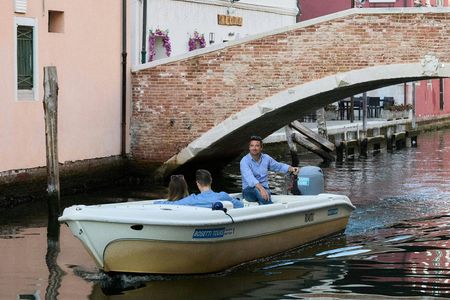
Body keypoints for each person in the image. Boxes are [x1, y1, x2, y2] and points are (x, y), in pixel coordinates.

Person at [240, 135, 298, 205]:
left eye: (257, 146)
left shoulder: (266, 158)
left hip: (264, 188)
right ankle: (272, 208)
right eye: (252, 146)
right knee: (257, 190)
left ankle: (266, 207)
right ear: (249, 148)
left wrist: (291, 168)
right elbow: (250, 179)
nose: (254, 148)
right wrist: (261, 189)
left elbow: (278, 166)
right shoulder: (244, 161)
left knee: (264, 194)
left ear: (261, 148)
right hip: (248, 191)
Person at [155, 169, 243, 208]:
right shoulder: (223, 196)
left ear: (197, 183)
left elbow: (173, 204)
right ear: (211, 181)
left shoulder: (192, 199)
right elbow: (240, 205)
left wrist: (156, 202)